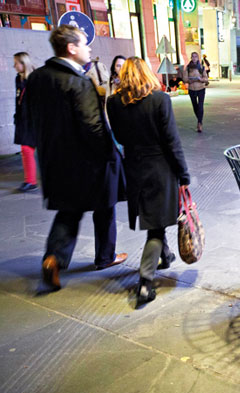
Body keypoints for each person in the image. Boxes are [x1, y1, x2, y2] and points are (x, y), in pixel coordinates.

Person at [25, 25, 127, 290]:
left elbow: (29, 119)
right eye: (84, 43)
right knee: (106, 206)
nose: (89, 48)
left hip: (53, 161)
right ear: (71, 48)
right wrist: (110, 154)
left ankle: (53, 259)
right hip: (87, 162)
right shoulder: (79, 82)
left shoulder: (37, 78)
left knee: (69, 212)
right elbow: (93, 126)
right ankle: (106, 256)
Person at [107, 57, 190, 305]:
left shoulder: (113, 103)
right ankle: (145, 281)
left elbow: (119, 136)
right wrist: (183, 174)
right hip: (160, 167)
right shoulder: (159, 99)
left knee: (155, 216)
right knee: (155, 227)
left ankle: (165, 256)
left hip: (133, 167)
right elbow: (172, 141)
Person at [13, 52, 37, 192]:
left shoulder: (34, 78)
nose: (14, 66)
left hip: (34, 120)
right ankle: (30, 181)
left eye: (17, 63)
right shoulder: (18, 79)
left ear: (24, 63)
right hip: (23, 120)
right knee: (26, 150)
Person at [184, 52, 209, 133]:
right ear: (191, 58)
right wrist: (189, 80)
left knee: (200, 105)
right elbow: (184, 78)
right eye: (193, 56)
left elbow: (206, 78)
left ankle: (199, 123)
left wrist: (201, 79)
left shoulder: (201, 67)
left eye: (196, 56)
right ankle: (199, 120)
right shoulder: (188, 67)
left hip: (201, 88)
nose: (194, 58)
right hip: (192, 89)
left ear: (198, 58)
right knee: (195, 106)